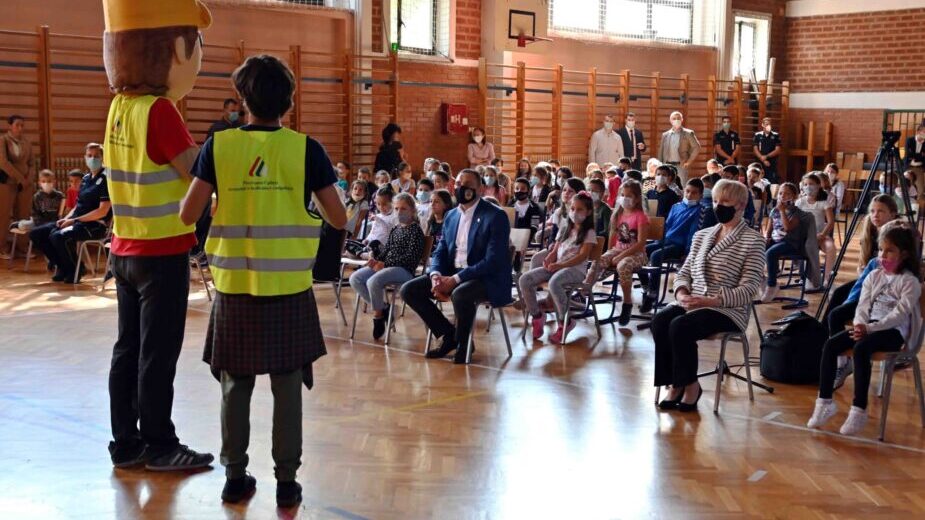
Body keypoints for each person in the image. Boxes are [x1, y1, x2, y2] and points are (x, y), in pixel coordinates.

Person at [180, 53, 346, 505]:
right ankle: (287, 484)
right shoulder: (306, 148)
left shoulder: (219, 146)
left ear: (242, 100)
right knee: (287, 387)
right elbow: (338, 216)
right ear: (289, 102)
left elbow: (187, 213)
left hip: (235, 286)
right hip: (289, 288)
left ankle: (235, 476)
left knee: (235, 384)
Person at [101, 0, 216, 472]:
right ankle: (161, 443)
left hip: (124, 249)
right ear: (174, 48)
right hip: (161, 251)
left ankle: (125, 442)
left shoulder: (118, 107)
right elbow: (194, 170)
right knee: (158, 354)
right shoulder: (160, 110)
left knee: (127, 349)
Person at [653, 179, 766, 412]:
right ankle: (678, 382)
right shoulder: (702, 235)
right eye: (715, 201)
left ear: (741, 205)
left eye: (725, 201)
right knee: (661, 320)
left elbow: (749, 289)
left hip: (725, 308)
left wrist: (712, 301)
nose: (718, 206)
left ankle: (688, 386)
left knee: (680, 326)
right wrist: (682, 291)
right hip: (693, 301)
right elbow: (684, 271)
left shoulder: (753, 240)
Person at [808, 222, 922, 435]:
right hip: (868, 327)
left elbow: (898, 314)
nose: (883, 255)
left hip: (892, 332)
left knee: (861, 349)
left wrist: (869, 329)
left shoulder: (910, 282)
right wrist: (861, 323)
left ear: (904, 254)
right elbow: (863, 304)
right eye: (881, 249)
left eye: (890, 251)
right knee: (832, 345)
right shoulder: (873, 275)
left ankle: (858, 409)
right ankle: (824, 402)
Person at [400, 169, 513, 364]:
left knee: (460, 293)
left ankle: (464, 344)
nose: (462, 188)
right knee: (409, 290)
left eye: (468, 185)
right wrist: (435, 274)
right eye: (459, 184)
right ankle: (449, 336)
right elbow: (440, 251)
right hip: (453, 273)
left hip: (485, 277)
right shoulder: (451, 215)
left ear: (481, 189)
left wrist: (455, 280)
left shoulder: (495, 216)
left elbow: (492, 261)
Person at [821, 195, 899, 388]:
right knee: (837, 301)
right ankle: (835, 356)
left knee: (842, 306)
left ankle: (838, 355)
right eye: (872, 211)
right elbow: (865, 266)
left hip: (886, 290)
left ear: (893, 214)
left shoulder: (900, 235)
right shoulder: (870, 231)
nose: (875, 215)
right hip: (870, 282)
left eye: (881, 211)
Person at [519, 192, 597, 343]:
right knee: (525, 280)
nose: (575, 212)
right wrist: (550, 258)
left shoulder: (589, 232)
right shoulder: (565, 228)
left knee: (555, 283)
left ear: (588, 212)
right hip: (557, 267)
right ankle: (537, 316)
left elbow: (582, 256)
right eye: (573, 208)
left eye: (580, 209)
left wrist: (560, 265)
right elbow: (555, 250)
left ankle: (565, 321)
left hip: (575, 270)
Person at [29, 144, 111, 283]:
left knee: (58, 237)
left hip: (95, 225)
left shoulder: (106, 179)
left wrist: (73, 221)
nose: (92, 159)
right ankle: (63, 267)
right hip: (77, 221)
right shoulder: (85, 179)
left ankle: (75, 270)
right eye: (89, 156)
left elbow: (102, 211)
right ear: (85, 157)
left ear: (103, 158)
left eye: (96, 156)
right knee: (37, 234)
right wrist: (66, 218)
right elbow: (78, 206)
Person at [350, 192, 425, 340]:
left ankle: (378, 317)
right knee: (355, 278)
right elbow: (386, 252)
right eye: (396, 209)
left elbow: (410, 258)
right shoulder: (395, 229)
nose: (399, 212)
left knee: (373, 281)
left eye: (403, 209)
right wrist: (375, 259)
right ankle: (385, 309)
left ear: (412, 210)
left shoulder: (416, 230)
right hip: (387, 267)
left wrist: (385, 264)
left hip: (404, 270)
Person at [639, 178, 713, 313]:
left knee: (655, 256)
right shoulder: (676, 206)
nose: (689, 195)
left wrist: (688, 252)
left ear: (701, 196)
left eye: (694, 193)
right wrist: (657, 242)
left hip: (679, 246)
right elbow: (666, 226)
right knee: (640, 251)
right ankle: (646, 287)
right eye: (688, 191)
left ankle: (653, 293)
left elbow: (694, 233)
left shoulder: (701, 210)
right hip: (665, 241)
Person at [585, 180, 649, 325]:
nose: (624, 198)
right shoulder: (618, 214)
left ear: (637, 198)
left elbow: (640, 243)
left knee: (622, 266)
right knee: (598, 261)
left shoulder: (641, 216)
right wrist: (609, 253)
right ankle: (585, 289)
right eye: (622, 195)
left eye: (629, 196)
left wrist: (620, 256)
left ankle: (627, 303)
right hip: (618, 250)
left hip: (637, 254)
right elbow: (613, 236)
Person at [760, 183, 805, 302]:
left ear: (794, 196)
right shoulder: (774, 211)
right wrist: (766, 239)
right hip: (775, 240)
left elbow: (787, 228)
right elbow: (769, 229)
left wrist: (782, 211)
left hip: (790, 242)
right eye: (780, 193)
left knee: (770, 253)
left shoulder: (797, 212)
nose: (783, 196)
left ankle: (772, 285)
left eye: (787, 194)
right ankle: (761, 279)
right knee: (756, 249)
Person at [0, 114, 36, 258]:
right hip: (7, 183)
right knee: (3, 215)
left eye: (22, 125)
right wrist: (20, 178)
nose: (20, 128)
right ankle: (2, 247)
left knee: (23, 215)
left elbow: (32, 163)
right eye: (17, 125)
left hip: (25, 184)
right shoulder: (3, 140)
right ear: (10, 126)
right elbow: (3, 162)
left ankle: (22, 246)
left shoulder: (27, 142)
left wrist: (29, 179)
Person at [796, 173, 837, 286]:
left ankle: (827, 278)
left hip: (820, 235)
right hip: (805, 236)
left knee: (831, 247)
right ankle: (807, 276)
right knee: (807, 247)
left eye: (811, 184)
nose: (808, 187)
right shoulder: (800, 202)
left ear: (818, 185)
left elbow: (830, 222)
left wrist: (823, 235)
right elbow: (795, 221)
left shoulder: (824, 202)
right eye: (806, 184)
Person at [658, 111, 701, 183]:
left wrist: (689, 162)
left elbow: (697, 147)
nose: (676, 120)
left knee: (681, 187)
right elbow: (661, 151)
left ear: (682, 119)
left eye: (678, 118)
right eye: (674, 118)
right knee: (666, 186)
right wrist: (660, 165)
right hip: (667, 165)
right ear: (670, 120)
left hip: (681, 165)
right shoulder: (665, 135)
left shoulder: (688, 133)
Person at [753, 117, 782, 183]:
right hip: (760, 163)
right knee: (758, 181)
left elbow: (777, 150)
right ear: (762, 125)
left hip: (771, 163)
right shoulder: (757, 135)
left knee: (772, 182)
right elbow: (755, 149)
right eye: (766, 124)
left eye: (769, 124)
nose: (768, 126)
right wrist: (763, 159)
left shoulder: (775, 135)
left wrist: (766, 157)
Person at [904, 124, 925, 208]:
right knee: (905, 188)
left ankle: (917, 211)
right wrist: (921, 155)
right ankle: (905, 208)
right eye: (924, 131)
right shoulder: (910, 140)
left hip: (919, 168)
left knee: (920, 190)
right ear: (918, 132)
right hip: (908, 167)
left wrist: (915, 155)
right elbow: (908, 154)